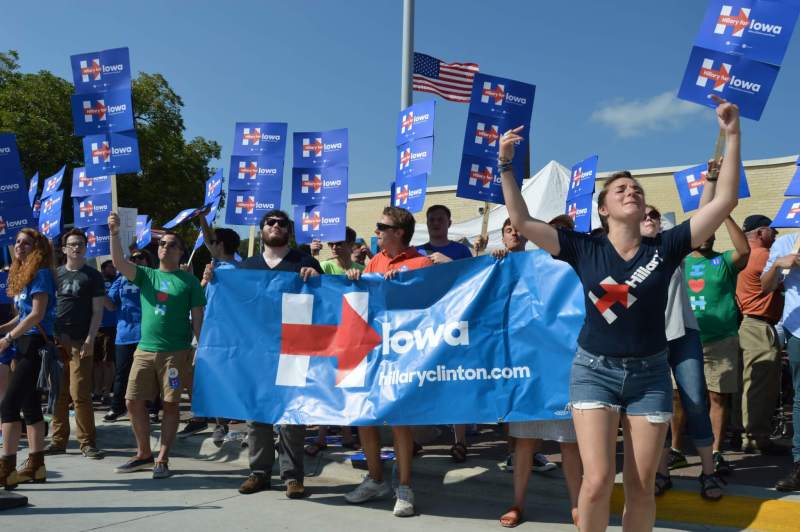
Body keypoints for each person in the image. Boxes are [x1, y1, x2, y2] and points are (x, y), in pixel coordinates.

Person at [498, 96, 742, 531]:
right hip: (594, 371)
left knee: (641, 486)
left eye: (637, 190)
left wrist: (733, 133)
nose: (632, 192)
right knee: (595, 483)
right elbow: (521, 218)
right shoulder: (583, 247)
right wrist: (505, 165)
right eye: (621, 190)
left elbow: (723, 200)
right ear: (604, 209)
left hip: (651, 375)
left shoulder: (666, 246)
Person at [344, 206, 433, 517]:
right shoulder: (374, 261)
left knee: (399, 420)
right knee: (365, 416)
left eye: (382, 226)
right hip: (371, 350)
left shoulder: (421, 262)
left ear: (399, 232)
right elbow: (365, 302)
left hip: (403, 353)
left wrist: (407, 285)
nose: (376, 231)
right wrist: (355, 278)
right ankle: (375, 479)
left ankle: (404, 487)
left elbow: (433, 305)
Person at [230, 209, 321, 499]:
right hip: (256, 349)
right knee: (257, 413)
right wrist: (213, 281)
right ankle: (259, 473)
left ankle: (292, 476)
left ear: (289, 231)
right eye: (270, 222)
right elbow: (232, 305)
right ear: (263, 229)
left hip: (294, 347)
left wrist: (317, 280)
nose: (276, 226)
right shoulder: (246, 266)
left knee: (292, 414)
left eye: (282, 223)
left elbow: (323, 302)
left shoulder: (304, 262)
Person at [499, 215, 583, 528]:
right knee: (524, 443)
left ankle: (577, 506)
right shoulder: (527, 264)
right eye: (554, 231)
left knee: (569, 444)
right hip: (531, 368)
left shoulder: (582, 265)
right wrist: (501, 260)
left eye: (566, 232)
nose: (559, 236)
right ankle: (517, 503)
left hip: (566, 369)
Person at [108, 212, 206, 479]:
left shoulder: (190, 282)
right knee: (132, 401)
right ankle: (143, 454)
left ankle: (162, 458)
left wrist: (202, 349)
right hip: (144, 350)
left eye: (172, 245)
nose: (165, 247)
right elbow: (119, 263)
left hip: (175, 353)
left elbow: (198, 319)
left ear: (181, 252)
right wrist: (114, 233)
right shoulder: (146, 275)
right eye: (162, 243)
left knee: (170, 405)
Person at [641, 204, 723, 502]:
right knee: (658, 407)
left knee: (696, 401)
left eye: (654, 215)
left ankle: (708, 471)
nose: (649, 219)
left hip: (683, 333)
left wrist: (711, 184)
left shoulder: (671, 248)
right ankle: (662, 473)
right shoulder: (623, 255)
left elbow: (702, 218)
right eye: (643, 216)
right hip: (649, 339)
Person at [682, 184, 750, 475]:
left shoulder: (723, 261)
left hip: (720, 340)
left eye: (712, 231)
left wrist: (724, 213)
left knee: (717, 397)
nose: (707, 236)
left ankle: (716, 452)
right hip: (685, 339)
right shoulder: (680, 262)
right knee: (678, 397)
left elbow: (744, 250)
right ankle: (676, 450)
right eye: (703, 231)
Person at [0, 228, 56, 488]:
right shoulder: (24, 272)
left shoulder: (41, 273)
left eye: (26, 243)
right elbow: (22, 315)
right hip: (24, 343)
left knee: (9, 406)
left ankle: (7, 468)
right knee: (30, 406)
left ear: (37, 248)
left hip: (34, 345)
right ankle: (36, 465)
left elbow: (37, 314)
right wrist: (3, 329)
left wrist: (7, 338)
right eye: (18, 242)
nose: (20, 246)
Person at [178, 217, 242, 442]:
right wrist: (203, 218)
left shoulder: (233, 271)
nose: (208, 245)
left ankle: (225, 423)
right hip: (207, 333)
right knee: (206, 377)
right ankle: (213, 421)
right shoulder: (215, 268)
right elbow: (199, 297)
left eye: (213, 243)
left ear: (220, 245)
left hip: (226, 336)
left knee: (222, 378)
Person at [47, 229, 107, 459]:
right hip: (57, 341)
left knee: (80, 393)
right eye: (72, 244)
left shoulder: (93, 275)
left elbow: (98, 311)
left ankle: (87, 443)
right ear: (64, 249)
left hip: (81, 341)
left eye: (80, 243)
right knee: (59, 393)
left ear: (85, 247)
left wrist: (91, 338)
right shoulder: (55, 275)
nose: (76, 247)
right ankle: (58, 441)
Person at [304, 226, 361, 456]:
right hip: (327, 330)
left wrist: (357, 279)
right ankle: (321, 436)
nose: (335, 247)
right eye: (332, 244)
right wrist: (313, 256)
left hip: (351, 331)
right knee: (326, 383)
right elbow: (314, 284)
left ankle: (347, 435)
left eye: (339, 243)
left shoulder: (361, 269)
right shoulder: (325, 266)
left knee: (346, 383)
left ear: (351, 245)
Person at [735, 214, 787, 455]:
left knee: (748, 384)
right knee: (759, 386)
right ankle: (755, 438)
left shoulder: (744, 256)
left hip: (748, 325)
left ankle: (744, 433)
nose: (775, 235)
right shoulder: (764, 256)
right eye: (771, 230)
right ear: (759, 233)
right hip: (758, 326)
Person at [762, 231, 800, 490]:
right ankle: (799, 464)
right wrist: (778, 264)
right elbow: (765, 286)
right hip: (798, 331)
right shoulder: (786, 242)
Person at [103, 250, 150, 422]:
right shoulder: (120, 279)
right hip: (124, 335)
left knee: (148, 373)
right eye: (133, 258)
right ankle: (118, 407)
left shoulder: (152, 277)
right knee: (122, 374)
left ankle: (152, 407)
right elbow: (111, 305)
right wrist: (99, 291)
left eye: (140, 257)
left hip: (148, 333)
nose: (135, 260)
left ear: (147, 261)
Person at [94, 260, 118, 405]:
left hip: (111, 326)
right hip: (95, 327)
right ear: (103, 269)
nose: (114, 269)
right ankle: (97, 391)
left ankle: (107, 392)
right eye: (111, 267)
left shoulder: (117, 281)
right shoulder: (96, 281)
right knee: (96, 363)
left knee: (108, 361)